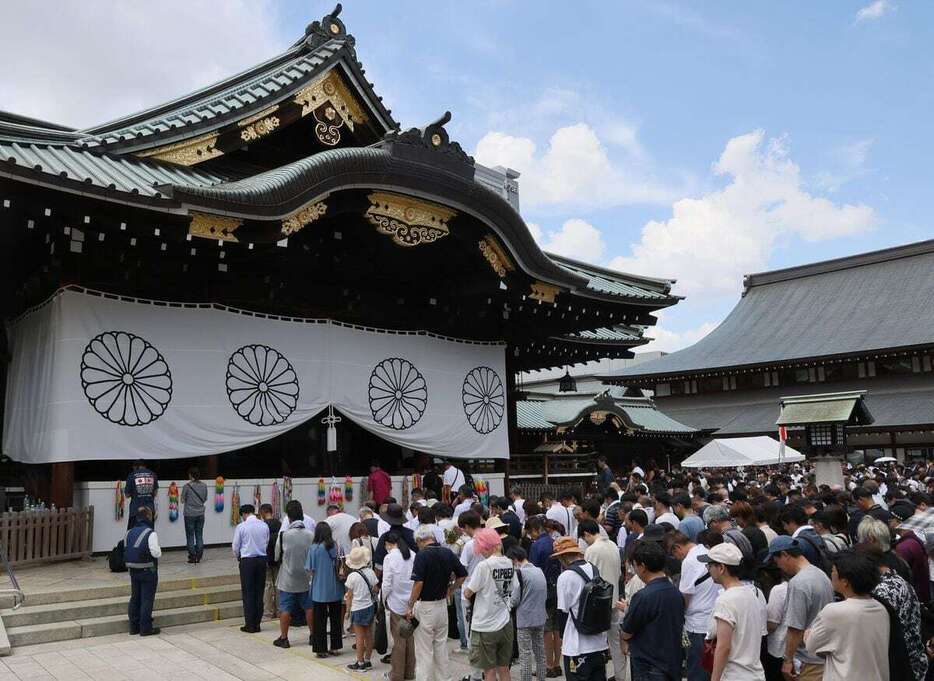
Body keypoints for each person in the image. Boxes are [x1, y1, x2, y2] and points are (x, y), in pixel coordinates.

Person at [804, 550, 890, 681]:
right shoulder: (881, 609)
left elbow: (811, 645)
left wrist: (808, 635)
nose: (831, 574)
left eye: (833, 571)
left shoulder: (834, 612)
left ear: (845, 581)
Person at [765, 536, 833, 681]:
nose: (777, 566)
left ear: (785, 555)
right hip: (824, 654)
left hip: (807, 660)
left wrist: (787, 660)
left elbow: (795, 627)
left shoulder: (798, 583)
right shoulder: (821, 574)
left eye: (777, 561)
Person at [859, 541, 928, 681]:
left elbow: (881, 635)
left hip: (901, 666)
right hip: (912, 661)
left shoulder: (883, 590)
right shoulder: (896, 579)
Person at [698, 543, 768, 681]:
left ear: (721, 568)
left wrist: (715, 678)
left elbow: (724, 647)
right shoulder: (752, 594)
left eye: (710, 566)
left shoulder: (725, 600)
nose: (708, 570)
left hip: (735, 675)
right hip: (755, 673)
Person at [406, 523, 467, 681]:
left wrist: (410, 604)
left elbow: (418, 583)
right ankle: (444, 678)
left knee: (424, 650)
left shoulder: (422, 555)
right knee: (440, 646)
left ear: (420, 540)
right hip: (441, 604)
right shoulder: (447, 552)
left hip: (426, 605)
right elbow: (462, 575)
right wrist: (451, 589)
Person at [620, 541, 685, 681]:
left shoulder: (644, 596)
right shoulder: (676, 592)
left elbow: (627, 631)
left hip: (649, 666)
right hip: (672, 662)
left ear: (642, 567)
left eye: (635, 566)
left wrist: (624, 639)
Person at [463, 528, 518, 681]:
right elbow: (515, 587)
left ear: (486, 547)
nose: (481, 553)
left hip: (485, 624)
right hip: (505, 621)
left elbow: (468, 592)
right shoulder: (509, 563)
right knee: (504, 668)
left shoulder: (484, 566)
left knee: (489, 671)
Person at [552, 536, 608, 681]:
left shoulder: (565, 577)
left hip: (576, 646)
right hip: (599, 642)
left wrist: (562, 638)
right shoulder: (594, 569)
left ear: (563, 557)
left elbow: (562, 612)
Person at [668, 531, 721, 681]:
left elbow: (685, 596)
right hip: (715, 621)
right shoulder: (707, 551)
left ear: (677, 548)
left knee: (697, 672)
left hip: (697, 625)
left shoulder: (689, 561)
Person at [579, 519, 624, 681]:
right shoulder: (613, 545)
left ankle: (598, 675)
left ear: (586, 534)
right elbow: (619, 574)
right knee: (615, 642)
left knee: (597, 642)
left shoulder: (592, 550)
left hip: (598, 603)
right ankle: (620, 676)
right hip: (614, 599)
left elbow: (588, 577)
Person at [272, 500, 314, 648]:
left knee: (285, 608)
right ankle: (313, 635)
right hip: (306, 578)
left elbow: (276, 556)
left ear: (288, 518)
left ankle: (284, 638)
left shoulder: (284, 535)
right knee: (309, 607)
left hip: (288, 579)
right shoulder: (310, 535)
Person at [527, 515, 562, 678]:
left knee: (546, 630)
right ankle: (557, 664)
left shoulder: (536, 546)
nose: (530, 536)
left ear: (535, 530)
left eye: (530, 532)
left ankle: (548, 665)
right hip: (557, 587)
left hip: (544, 590)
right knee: (557, 628)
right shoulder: (553, 541)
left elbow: (533, 571)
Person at [507, 545, 547, 681]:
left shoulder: (520, 574)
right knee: (540, 653)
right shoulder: (539, 571)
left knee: (525, 655)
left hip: (524, 620)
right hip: (540, 617)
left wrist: (507, 605)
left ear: (515, 560)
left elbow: (515, 599)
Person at [307, 521, 344, 657]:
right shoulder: (337, 546)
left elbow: (310, 569)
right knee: (335, 619)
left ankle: (321, 649)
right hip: (336, 588)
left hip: (319, 589)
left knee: (319, 621)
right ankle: (335, 647)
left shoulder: (314, 548)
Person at [382, 532, 416, 681]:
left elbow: (387, 583)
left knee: (399, 641)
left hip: (396, 603)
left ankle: (396, 675)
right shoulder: (413, 554)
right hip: (412, 603)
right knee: (410, 638)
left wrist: (382, 600)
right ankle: (409, 673)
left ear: (388, 544)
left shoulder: (389, 558)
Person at [232, 504, 269, 633]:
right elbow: (267, 541)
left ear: (244, 514)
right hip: (261, 560)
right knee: (259, 592)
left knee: (248, 593)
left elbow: (236, 546)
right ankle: (257, 623)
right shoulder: (264, 525)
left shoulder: (241, 527)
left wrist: (239, 556)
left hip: (247, 560)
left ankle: (250, 624)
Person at [125, 506, 162, 636]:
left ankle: (133, 627)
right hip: (148, 570)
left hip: (133, 569)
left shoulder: (129, 532)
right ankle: (145, 628)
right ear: (148, 517)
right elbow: (156, 553)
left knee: (135, 597)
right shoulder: (150, 533)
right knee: (147, 598)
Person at [343, 546, 379, 672]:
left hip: (357, 608)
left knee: (359, 637)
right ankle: (368, 660)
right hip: (369, 606)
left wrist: (347, 611)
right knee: (369, 635)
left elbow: (349, 596)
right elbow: (375, 589)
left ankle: (360, 662)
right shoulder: (371, 572)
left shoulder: (352, 576)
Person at [373, 503, 417, 572]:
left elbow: (379, 566)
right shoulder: (412, 534)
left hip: (391, 577)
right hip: (411, 576)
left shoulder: (385, 537)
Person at [257, 503, 282, 621]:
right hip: (278, 559)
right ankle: (280, 610)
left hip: (266, 558)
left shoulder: (262, 525)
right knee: (278, 585)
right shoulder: (279, 524)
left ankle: (268, 612)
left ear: (262, 512)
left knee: (267, 586)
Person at [180, 466, 207, 564]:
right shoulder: (204, 486)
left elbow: (182, 500)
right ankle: (199, 556)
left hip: (189, 514)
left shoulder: (187, 486)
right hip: (200, 513)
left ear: (190, 475)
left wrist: (188, 499)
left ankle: (192, 556)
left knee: (190, 535)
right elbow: (204, 499)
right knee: (199, 534)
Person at [125, 460, 157, 529]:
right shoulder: (153, 475)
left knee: (133, 535)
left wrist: (135, 493)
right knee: (149, 535)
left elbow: (127, 495)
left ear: (136, 467)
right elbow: (155, 493)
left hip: (135, 511)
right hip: (149, 512)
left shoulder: (131, 475)